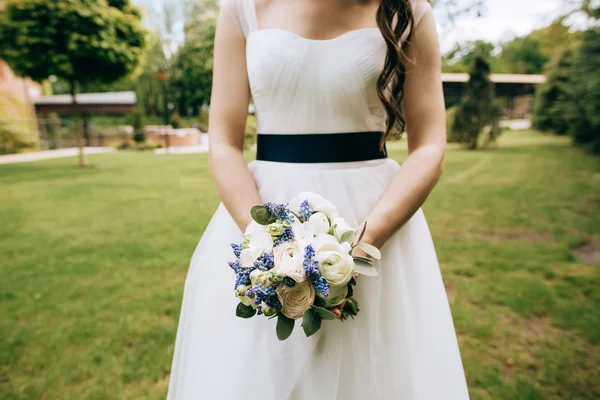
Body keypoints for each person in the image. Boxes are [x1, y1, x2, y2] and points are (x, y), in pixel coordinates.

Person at [167, 0, 469, 398]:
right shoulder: (242, 8)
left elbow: (429, 146)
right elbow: (223, 143)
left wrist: (360, 247)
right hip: (264, 217)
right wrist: (267, 247)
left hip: (373, 220)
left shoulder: (409, 11)